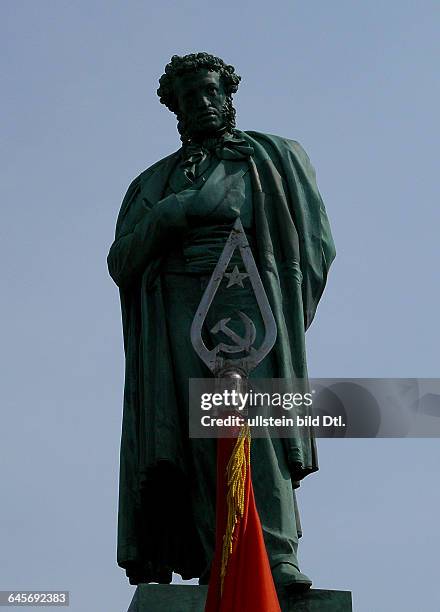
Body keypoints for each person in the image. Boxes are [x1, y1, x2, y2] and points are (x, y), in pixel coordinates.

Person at [107, 52, 335, 590]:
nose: (202, 103)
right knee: (195, 435)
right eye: (189, 97)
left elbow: (316, 244)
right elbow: (121, 261)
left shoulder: (272, 156)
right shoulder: (152, 184)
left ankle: (276, 554)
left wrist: (286, 311)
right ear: (175, 108)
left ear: (228, 94)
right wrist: (172, 214)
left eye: (210, 91)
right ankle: (220, 558)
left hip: (250, 300)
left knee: (259, 427)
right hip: (178, 307)